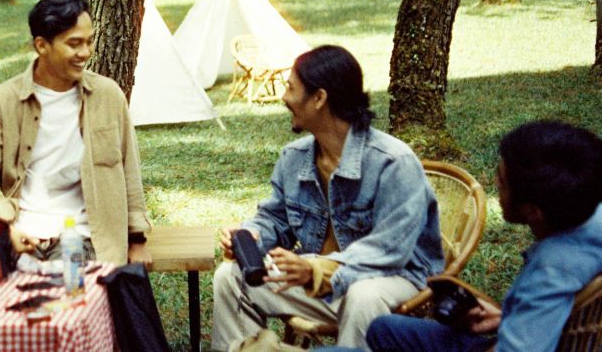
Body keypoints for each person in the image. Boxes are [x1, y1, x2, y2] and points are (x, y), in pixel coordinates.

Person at [212, 45, 444, 351]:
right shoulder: (293, 158)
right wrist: (251, 236)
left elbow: (388, 252)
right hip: (318, 283)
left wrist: (315, 269)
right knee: (231, 276)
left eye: (291, 89)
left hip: (392, 277)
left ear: (319, 98)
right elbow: (274, 220)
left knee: (364, 296)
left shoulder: (393, 162)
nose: (284, 98)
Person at [339, 120, 602, 352]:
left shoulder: (548, 275)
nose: (495, 184)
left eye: (501, 180)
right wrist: (509, 319)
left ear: (533, 211)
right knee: (384, 328)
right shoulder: (592, 218)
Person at [0, 0, 152, 265]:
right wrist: (5, 227)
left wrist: (137, 240)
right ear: (42, 45)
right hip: (20, 234)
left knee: (61, 298)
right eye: (74, 44)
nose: (85, 53)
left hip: (81, 240)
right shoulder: (2, 101)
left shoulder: (108, 96)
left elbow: (129, 173)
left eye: (89, 42)